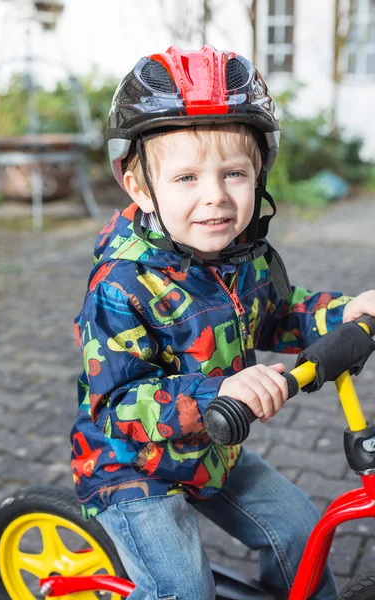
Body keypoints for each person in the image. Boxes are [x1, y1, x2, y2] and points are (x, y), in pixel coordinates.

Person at [70, 45, 375, 600]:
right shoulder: (120, 285)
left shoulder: (243, 256)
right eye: (186, 178)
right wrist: (218, 392)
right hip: (132, 468)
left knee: (302, 529)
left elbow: (279, 315)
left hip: (211, 451)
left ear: (258, 176)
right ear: (141, 189)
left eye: (233, 173)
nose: (215, 198)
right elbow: (115, 406)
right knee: (183, 588)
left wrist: (344, 312)